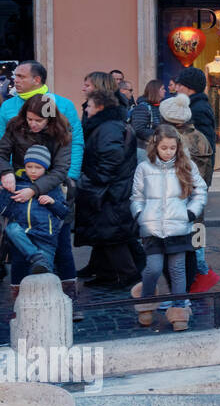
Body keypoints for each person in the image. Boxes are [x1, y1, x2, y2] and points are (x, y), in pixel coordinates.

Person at [130, 123, 207, 331]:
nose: (168, 152)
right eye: (164, 148)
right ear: (155, 146)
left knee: (177, 270)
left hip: (179, 227)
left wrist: (190, 212)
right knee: (153, 268)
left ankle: (180, 309)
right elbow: (136, 197)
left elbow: (201, 190)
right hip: (152, 228)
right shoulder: (144, 168)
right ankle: (145, 302)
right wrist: (140, 215)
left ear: (177, 147)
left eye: (172, 148)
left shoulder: (185, 165)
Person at [0, 95, 75, 278]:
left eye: (38, 121)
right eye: (29, 119)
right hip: (20, 183)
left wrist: (35, 190)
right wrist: (6, 172)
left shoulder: (62, 131)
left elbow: (61, 169)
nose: (33, 124)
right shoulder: (15, 125)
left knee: (62, 246)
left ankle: (67, 292)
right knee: (17, 247)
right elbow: (2, 153)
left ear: (49, 119)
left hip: (51, 188)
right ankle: (22, 294)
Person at [75, 89, 139, 287]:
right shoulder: (108, 125)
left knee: (112, 236)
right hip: (109, 189)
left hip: (109, 191)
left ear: (100, 107)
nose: (87, 109)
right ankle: (106, 274)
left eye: (90, 105)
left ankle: (129, 275)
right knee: (104, 234)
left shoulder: (108, 127)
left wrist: (94, 179)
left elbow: (111, 158)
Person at [157, 94, 217, 291]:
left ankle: (189, 286)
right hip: (197, 201)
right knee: (197, 240)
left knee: (178, 251)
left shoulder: (170, 142)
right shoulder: (201, 137)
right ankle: (200, 275)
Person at [0, 145, 67, 278]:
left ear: (45, 167)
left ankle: (39, 260)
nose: (33, 171)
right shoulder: (17, 184)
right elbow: (3, 211)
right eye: (29, 166)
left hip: (45, 237)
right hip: (23, 236)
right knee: (11, 228)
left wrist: (52, 202)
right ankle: (37, 257)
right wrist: (4, 193)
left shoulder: (52, 186)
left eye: (38, 167)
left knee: (45, 276)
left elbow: (64, 212)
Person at [174, 67, 218, 153]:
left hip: (198, 162)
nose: (176, 89)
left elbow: (205, 142)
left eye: (180, 85)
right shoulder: (194, 105)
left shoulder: (198, 109)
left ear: (190, 88)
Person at [129, 80, 165, 161]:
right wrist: (160, 135)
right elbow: (138, 129)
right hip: (143, 149)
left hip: (155, 148)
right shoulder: (142, 107)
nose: (165, 91)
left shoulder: (159, 106)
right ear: (155, 90)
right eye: (162, 89)